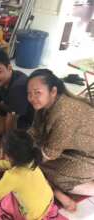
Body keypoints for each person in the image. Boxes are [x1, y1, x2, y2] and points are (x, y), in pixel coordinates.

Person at [27, 68, 94, 212]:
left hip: (89, 156)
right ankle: (57, 192)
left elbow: (49, 154)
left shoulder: (65, 114)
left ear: (53, 91)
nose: (32, 98)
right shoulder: (44, 105)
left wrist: (21, 161)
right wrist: (16, 144)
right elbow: (34, 131)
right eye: (29, 93)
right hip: (72, 150)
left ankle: (86, 187)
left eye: (37, 92)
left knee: (45, 171)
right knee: (34, 163)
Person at [0, 130, 67, 220]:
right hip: (48, 201)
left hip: (33, 215)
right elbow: (10, 163)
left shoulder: (12, 176)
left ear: (6, 156)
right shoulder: (31, 160)